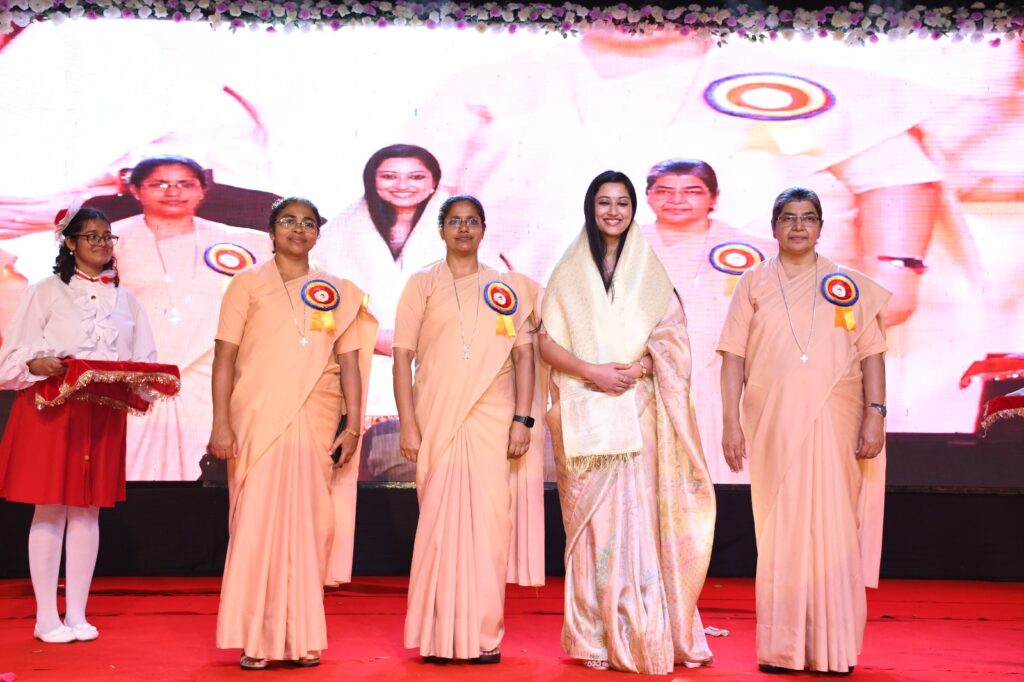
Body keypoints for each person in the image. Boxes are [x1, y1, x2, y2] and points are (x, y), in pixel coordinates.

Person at [539, 171, 716, 674]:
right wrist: (592, 371)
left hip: (637, 411)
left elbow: (672, 337)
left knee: (637, 524)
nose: (613, 211)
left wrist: (638, 368)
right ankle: (594, 636)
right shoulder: (569, 270)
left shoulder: (649, 271)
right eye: (604, 202)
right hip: (585, 411)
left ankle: (644, 633)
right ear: (590, 208)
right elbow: (546, 342)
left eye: (622, 202)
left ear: (634, 209)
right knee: (595, 531)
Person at [718, 187, 888, 674]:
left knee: (835, 527)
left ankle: (835, 647)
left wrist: (875, 413)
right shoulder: (752, 283)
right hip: (772, 423)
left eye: (808, 217)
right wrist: (730, 422)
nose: (798, 226)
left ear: (820, 227)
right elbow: (733, 357)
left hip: (837, 419)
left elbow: (871, 353)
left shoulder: (846, 285)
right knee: (782, 529)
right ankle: (784, 648)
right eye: (788, 218)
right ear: (773, 227)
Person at [208, 197, 376, 670]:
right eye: (288, 221)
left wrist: (354, 424)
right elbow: (224, 358)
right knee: (255, 524)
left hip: (315, 420)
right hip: (256, 419)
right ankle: (256, 639)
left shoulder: (338, 290)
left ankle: (302, 638)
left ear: (318, 234)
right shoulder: (245, 284)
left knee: (308, 526)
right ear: (271, 230)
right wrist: (221, 422)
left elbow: (349, 364)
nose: (298, 230)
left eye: (308, 223)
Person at [396, 195, 542, 663]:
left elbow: (524, 356)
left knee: (489, 529)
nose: (463, 229)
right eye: (454, 221)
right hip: (436, 418)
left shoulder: (505, 287)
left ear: (483, 229)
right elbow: (402, 358)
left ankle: (483, 635)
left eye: (472, 221)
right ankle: (439, 636)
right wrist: (408, 424)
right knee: (439, 528)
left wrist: (522, 419)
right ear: (440, 230)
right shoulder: (421, 284)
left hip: (493, 420)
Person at [0, 208, 157, 643]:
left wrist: (145, 380)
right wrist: (37, 364)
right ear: (69, 243)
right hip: (53, 408)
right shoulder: (45, 291)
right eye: (91, 236)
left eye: (107, 236)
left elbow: (143, 359)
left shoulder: (126, 300)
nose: (102, 244)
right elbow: (11, 359)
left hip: (102, 411)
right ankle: (46, 617)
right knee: (50, 507)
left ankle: (78, 614)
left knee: (88, 511)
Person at [113, 155, 271, 481]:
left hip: (209, 370)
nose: (173, 192)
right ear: (136, 190)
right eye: (159, 184)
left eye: (185, 184)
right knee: (131, 466)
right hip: (135, 370)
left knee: (203, 466)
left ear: (202, 190)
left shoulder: (245, 242)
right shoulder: (110, 238)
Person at [313, 144, 446, 482]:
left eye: (415, 177)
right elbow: (317, 311)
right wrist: (370, 337)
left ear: (433, 182)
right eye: (389, 176)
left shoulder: (457, 231)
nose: (402, 185)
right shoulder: (336, 236)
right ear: (372, 180)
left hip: (437, 369)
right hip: (360, 368)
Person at [642, 158, 775, 484]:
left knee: (723, 476)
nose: (676, 200)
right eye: (664, 191)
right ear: (648, 196)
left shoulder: (754, 250)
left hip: (721, 385)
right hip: (645, 382)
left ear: (713, 197)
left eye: (692, 191)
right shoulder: (625, 246)